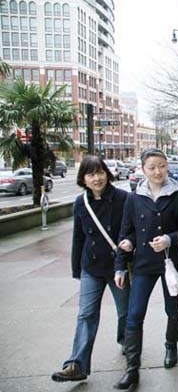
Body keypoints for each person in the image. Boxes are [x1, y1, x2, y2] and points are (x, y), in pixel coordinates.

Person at [113, 148, 178, 390]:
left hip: (171, 264)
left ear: (166, 166)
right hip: (144, 265)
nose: (158, 171)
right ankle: (132, 369)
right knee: (134, 314)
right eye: (152, 167)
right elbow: (126, 232)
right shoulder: (133, 198)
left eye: (161, 166)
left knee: (173, 310)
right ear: (143, 170)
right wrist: (122, 258)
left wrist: (169, 239)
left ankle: (171, 346)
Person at [51, 156, 130, 383]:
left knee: (125, 311)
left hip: (118, 267)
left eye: (100, 172)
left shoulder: (123, 199)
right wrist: (76, 268)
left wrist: (127, 255)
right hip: (91, 267)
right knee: (86, 314)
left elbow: (131, 231)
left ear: (107, 173)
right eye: (91, 174)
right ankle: (76, 364)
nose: (97, 178)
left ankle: (126, 342)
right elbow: (78, 237)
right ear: (83, 179)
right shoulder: (80, 203)